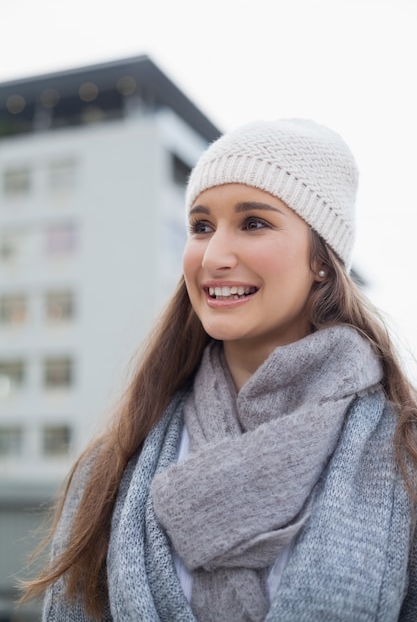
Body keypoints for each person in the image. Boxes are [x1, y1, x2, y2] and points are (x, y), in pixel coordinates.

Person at [22, 119, 417, 621]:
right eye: (201, 226)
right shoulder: (115, 461)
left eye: (253, 223)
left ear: (322, 258)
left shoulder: (404, 453)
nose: (214, 255)